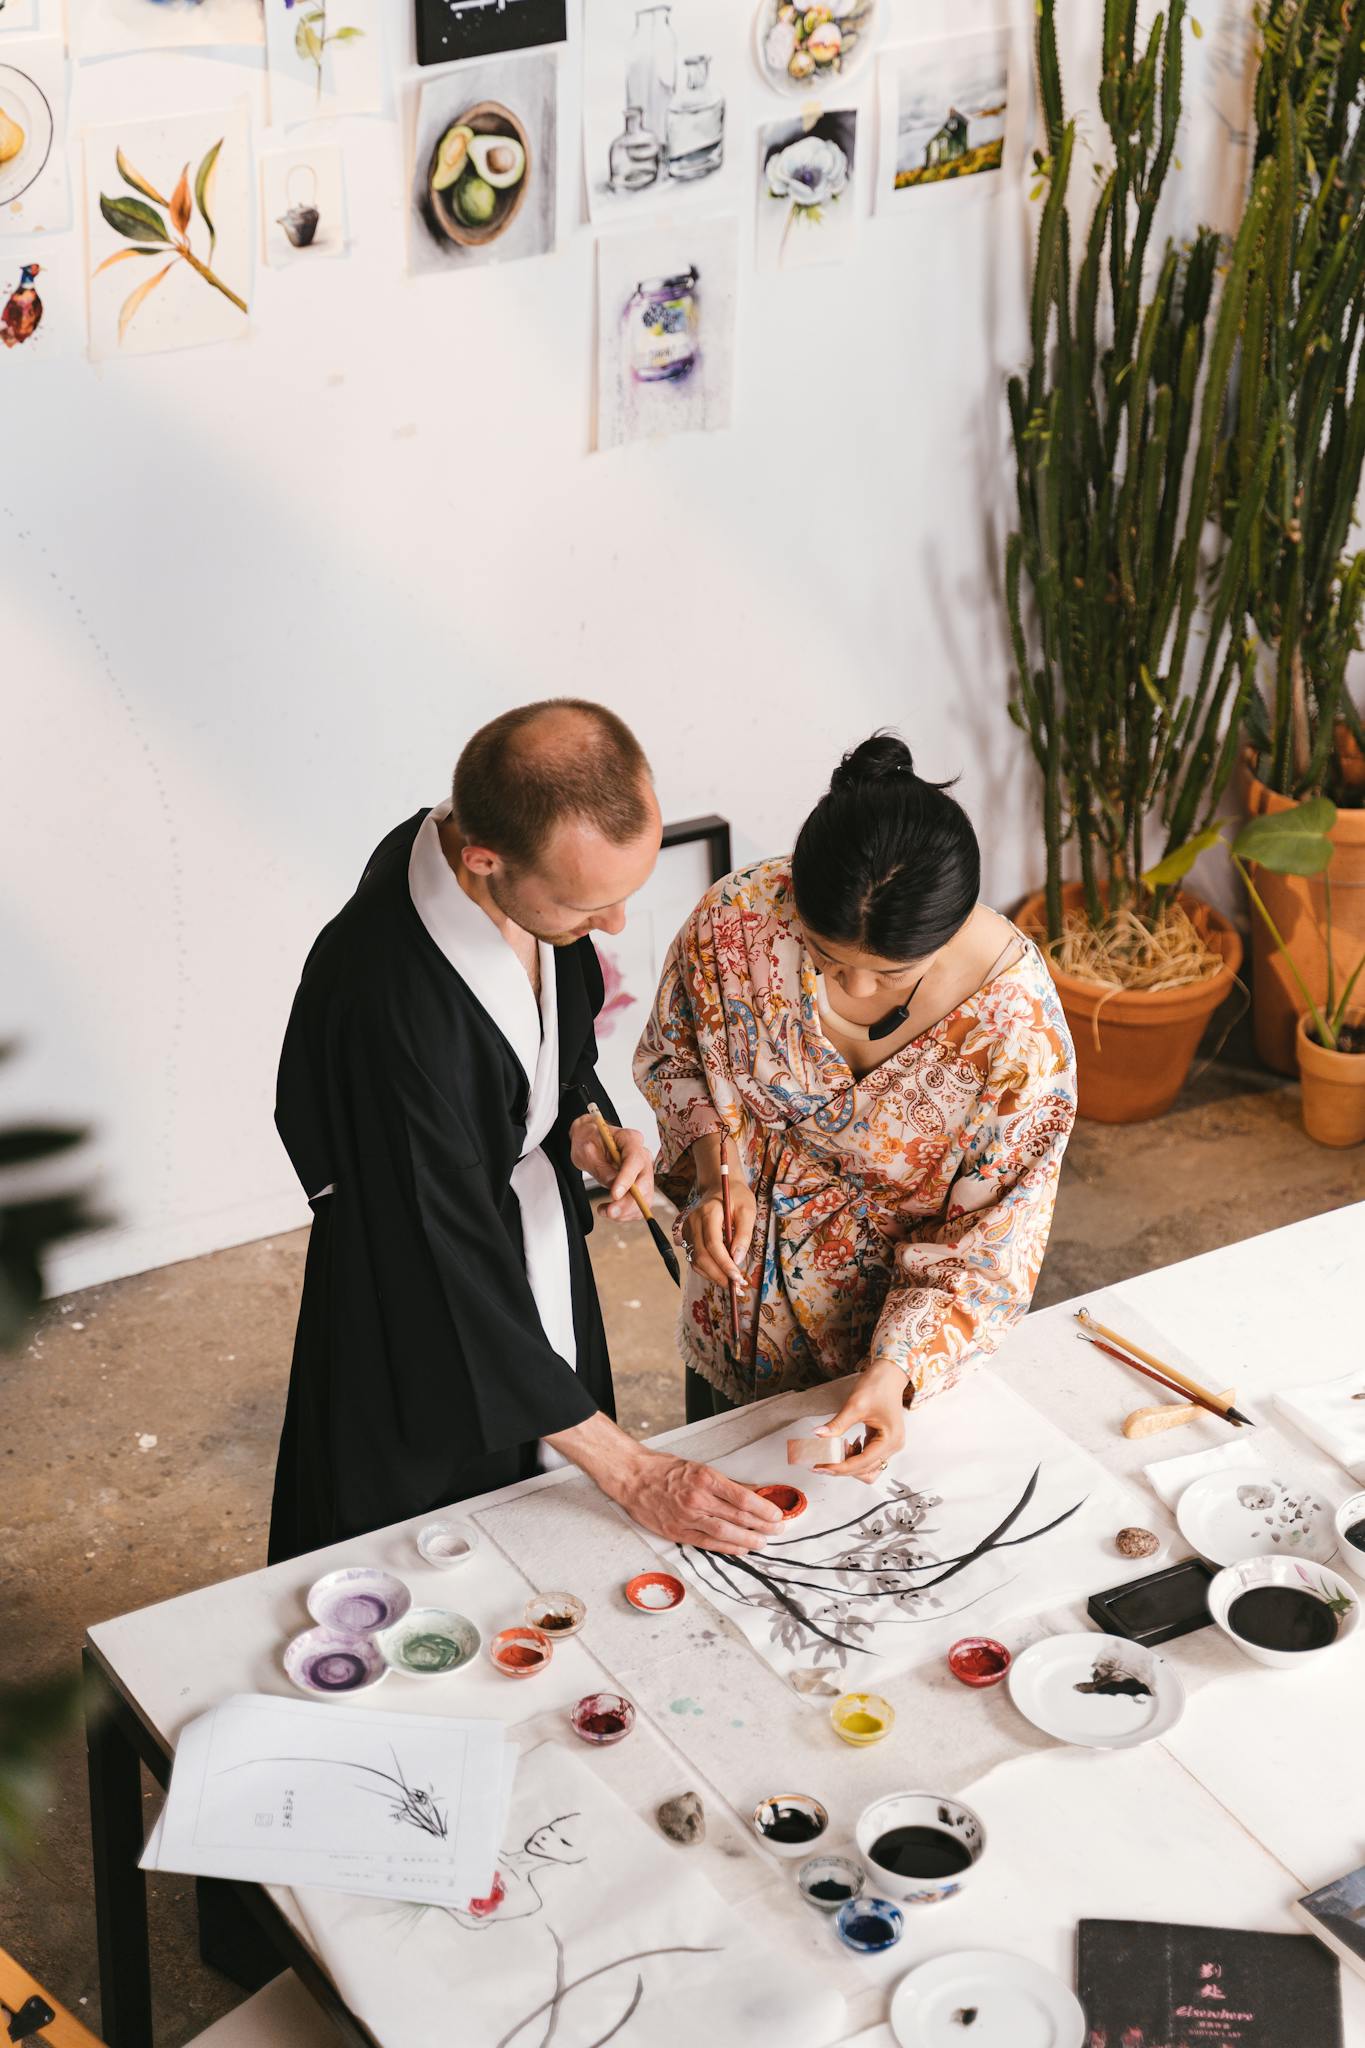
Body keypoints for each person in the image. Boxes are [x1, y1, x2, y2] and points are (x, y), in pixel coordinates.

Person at [268, 699, 782, 1565]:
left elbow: (545, 1059)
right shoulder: (389, 1005)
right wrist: (630, 1471)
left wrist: (580, 1124)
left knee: (550, 1529)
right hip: (416, 1281)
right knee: (428, 1561)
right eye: (590, 906)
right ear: (483, 860)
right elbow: (437, 1257)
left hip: (520, 1227)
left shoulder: (509, 873)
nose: (614, 927)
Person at [635, 733, 1078, 1484]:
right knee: (717, 1521)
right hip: (735, 1302)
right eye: (826, 959)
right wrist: (715, 1173)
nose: (858, 991)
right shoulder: (736, 923)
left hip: (889, 1351)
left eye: (893, 975)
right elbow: (677, 1061)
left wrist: (896, 1369)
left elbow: (995, 1233)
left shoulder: (1013, 1032)